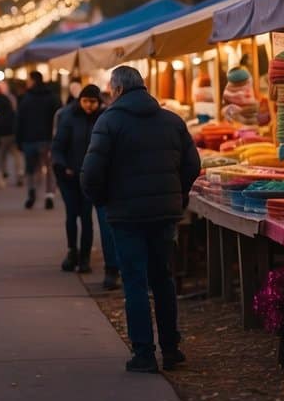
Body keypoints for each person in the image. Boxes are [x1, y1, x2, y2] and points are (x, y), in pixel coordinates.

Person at [81, 65, 200, 374]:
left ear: (117, 90)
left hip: (126, 216)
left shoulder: (109, 122)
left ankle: (144, 353)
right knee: (162, 278)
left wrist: (103, 201)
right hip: (164, 214)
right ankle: (171, 349)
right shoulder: (172, 121)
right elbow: (192, 165)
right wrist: (178, 195)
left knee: (134, 281)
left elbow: (91, 173)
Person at [52, 84, 104, 274]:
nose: (89, 105)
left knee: (86, 217)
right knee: (71, 215)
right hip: (69, 176)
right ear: (79, 100)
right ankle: (71, 251)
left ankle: (85, 257)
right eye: (85, 101)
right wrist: (62, 166)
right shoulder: (68, 117)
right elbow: (58, 146)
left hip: (90, 178)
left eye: (93, 102)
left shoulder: (103, 119)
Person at [16, 70, 61, 209]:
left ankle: (31, 192)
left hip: (29, 139)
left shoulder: (26, 98)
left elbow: (19, 121)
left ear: (33, 80)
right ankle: (49, 195)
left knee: (31, 169)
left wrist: (19, 140)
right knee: (49, 168)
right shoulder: (52, 97)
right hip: (47, 139)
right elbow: (59, 118)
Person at [0, 82, 22, 186]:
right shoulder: (9, 99)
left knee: (1, 155)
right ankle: (19, 173)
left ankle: (2, 175)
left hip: (2, 132)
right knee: (16, 154)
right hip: (12, 131)